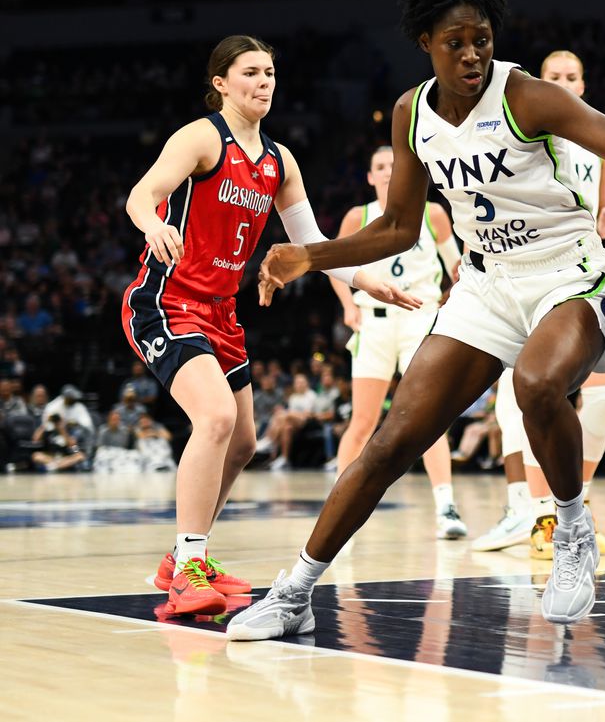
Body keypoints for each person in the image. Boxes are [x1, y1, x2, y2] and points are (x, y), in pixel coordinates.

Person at [226, 0, 605, 638]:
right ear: (426, 44)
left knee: (537, 383)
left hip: (568, 277)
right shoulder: (411, 114)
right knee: (389, 440)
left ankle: (571, 529)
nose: (471, 55)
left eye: (482, 41)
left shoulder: (527, 95)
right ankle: (295, 592)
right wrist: (311, 256)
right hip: (486, 285)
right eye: (456, 43)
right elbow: (401, 226)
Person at [122, 35, 419, 617]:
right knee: (214, 418)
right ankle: (187, 565)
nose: (264, 82)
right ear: (221, 84)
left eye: (270, 73)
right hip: (167, 301)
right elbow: (142, 194)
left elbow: (311, 243)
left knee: (246, 441)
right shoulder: (203, 136)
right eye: (251, 73)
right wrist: (151, 225)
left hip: (222, 315)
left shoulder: (280, 160)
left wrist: (367, 279)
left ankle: (183, 556)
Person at [476, 49, 605, 558]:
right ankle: (537, 512)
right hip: (524, 272)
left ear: (584, 85)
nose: (563, 83)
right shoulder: (520, 135)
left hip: (585, 270)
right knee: (526, 396)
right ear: (538, 84)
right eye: (553, 77)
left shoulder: (599, 142)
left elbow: (599, 215)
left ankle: (575, 504)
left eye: (572, 76)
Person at [328, 146, 468, 539]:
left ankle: (446, 507)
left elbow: (455, 267)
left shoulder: (432, 213)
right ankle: (339, 507)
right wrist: (347, 307)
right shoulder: (359, 217)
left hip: (418, 321)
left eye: (394, 165)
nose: (389, 171)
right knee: (363, 422)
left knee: (429, 419)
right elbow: (335, 264)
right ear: (370, 177)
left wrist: (450, 300)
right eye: (380, 167)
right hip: (373, 324)